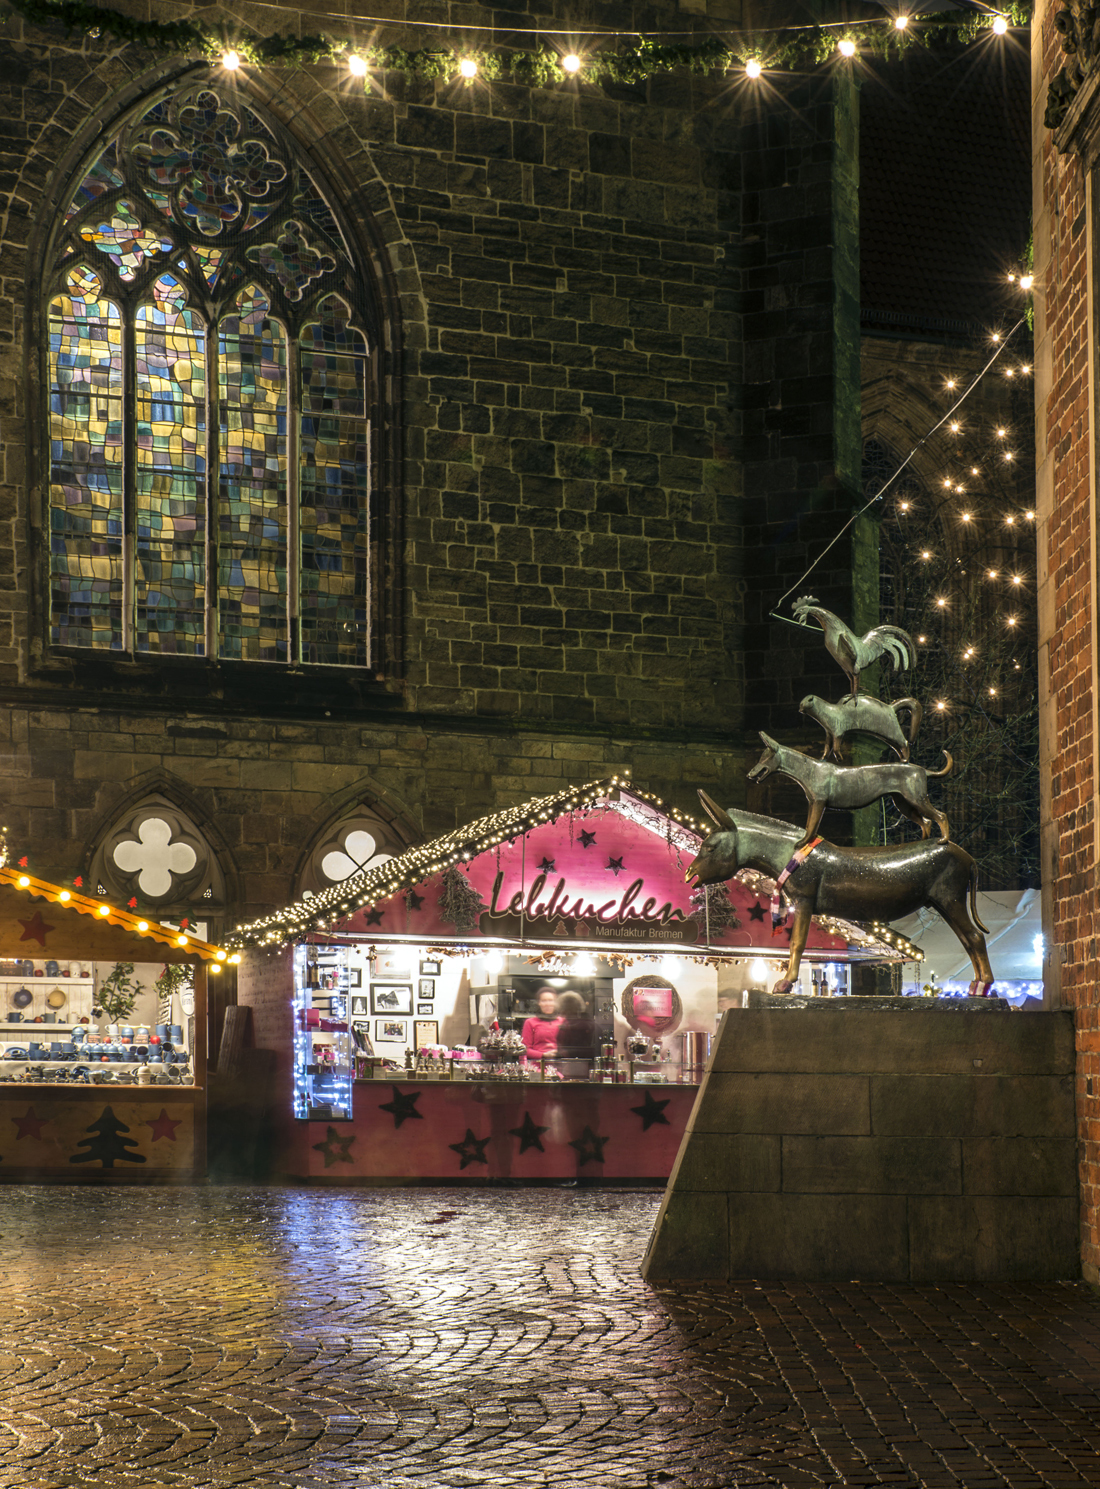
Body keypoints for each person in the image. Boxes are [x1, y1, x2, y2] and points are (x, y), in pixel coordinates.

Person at [520, 985, 561, 1059]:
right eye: (544, 1000)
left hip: (561, 1065)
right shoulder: (530, 1022)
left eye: (550, 1000)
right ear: (539, 1003)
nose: (547, 1004)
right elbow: (524, 1049)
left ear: (555, 1003)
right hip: (538, 1066)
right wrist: (543, 1055)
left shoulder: (563, 1021)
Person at [554, 990, 596, 1060]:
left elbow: (581, 1050)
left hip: (575, 1064)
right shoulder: (584, 1022)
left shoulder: (578, 1025)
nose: (560, 1013)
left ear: (565, 1009)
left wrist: (563, 1053)